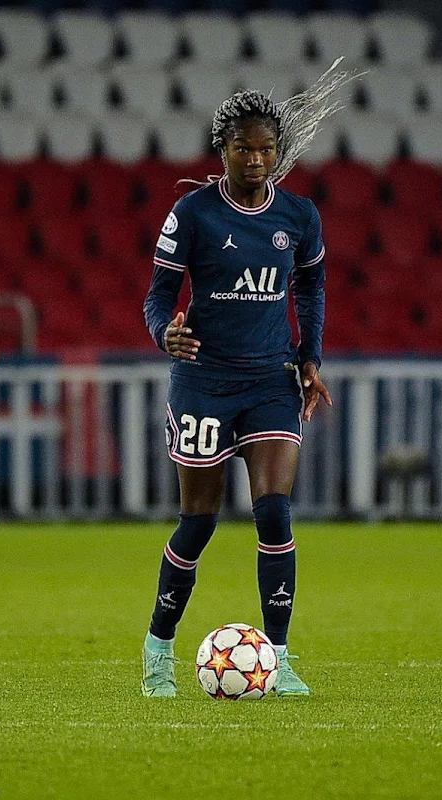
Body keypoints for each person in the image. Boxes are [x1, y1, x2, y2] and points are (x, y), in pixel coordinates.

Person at [140, 68, 356, 699]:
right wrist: (165, 334)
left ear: (278, 152)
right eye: (244, 148)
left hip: (271, 378)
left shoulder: (300, 215)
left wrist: (310, 357)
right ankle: (159, 647)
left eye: (267, 149)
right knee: (200, 521)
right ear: (223, 150)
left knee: (274, 512)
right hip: (204, 379)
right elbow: (157, 295)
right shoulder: (194, 213)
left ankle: (280, 656)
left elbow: (312, 288)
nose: (257, 159)